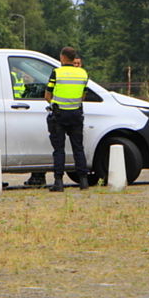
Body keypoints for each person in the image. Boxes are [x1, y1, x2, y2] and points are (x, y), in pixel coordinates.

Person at [46, 46, 90, 191]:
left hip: (59, 115)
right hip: (76, 114)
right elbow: (83, 96)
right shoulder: (83, 74)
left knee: (59, 150)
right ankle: (83, 181)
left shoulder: (56, 73)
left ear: (63, 57)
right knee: (78, 148)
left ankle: (58, 182)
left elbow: (47, 96)